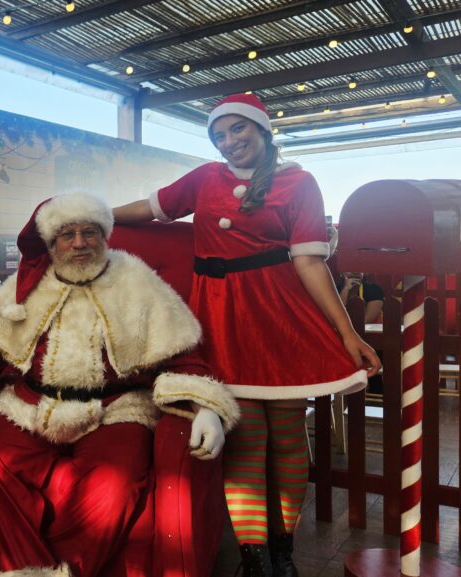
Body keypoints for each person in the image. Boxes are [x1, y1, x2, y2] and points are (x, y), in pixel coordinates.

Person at [111, 94, 381, 577]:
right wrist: (97, 217)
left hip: (280, 319)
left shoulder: (299, 182)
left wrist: (347, 333)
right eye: (219, 135)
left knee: (287, 436)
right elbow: (152, 210)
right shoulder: (203, 179)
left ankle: (284, 550)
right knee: (246, 440)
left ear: (261, 128)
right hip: (220, 320)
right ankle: (254, 558)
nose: (229, 142)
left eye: (238, 130)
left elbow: (309, 261)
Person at [0, 192, 240, 577]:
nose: (80, 242)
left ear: (104, 237)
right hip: (33, 406)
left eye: (89, 232)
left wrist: (205, 406)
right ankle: (23, 569)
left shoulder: (136, 280)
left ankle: (66, 570)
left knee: (114, 484)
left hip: (115, 410)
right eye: (67, 234)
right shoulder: (26, 286)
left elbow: (181, 355)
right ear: (52, 243)